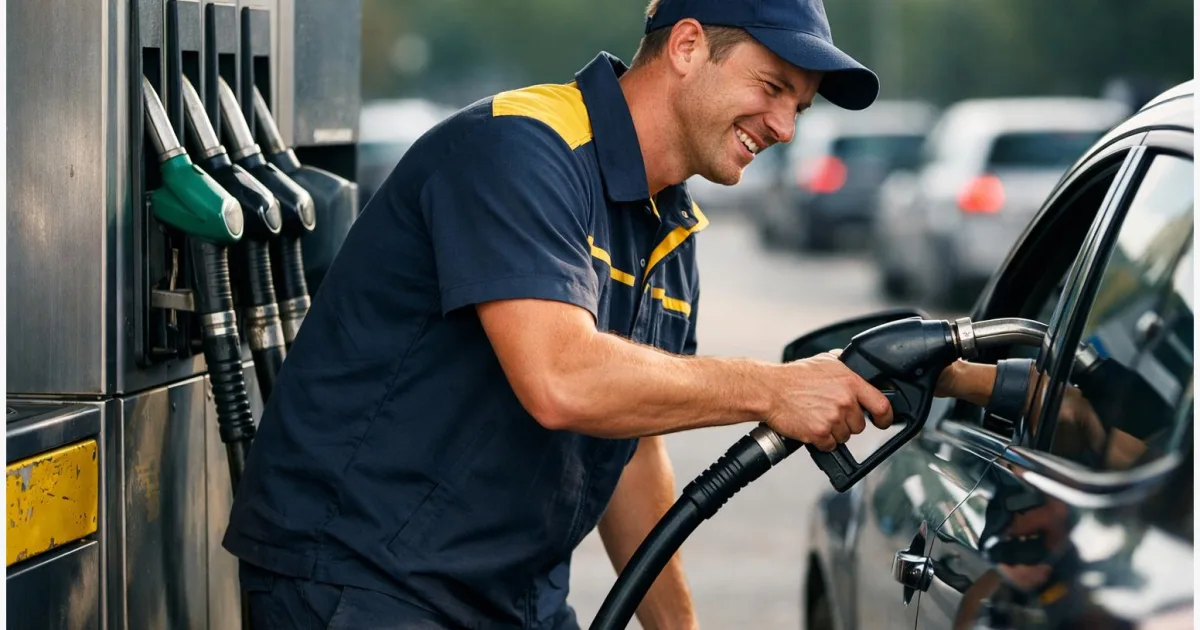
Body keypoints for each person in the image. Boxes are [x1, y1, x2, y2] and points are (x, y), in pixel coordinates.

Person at [222, 1, 888, 628]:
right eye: (772, 87)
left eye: (798, 107)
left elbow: (629, 453)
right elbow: (562, 379)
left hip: (512, 600)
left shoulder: (669, 225)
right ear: (687, 46)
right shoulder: (522, 147)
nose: (785, 127)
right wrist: (773, 387)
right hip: (365, 579)